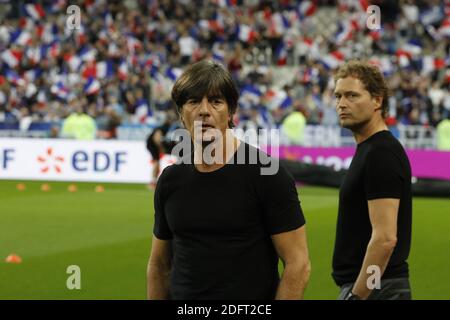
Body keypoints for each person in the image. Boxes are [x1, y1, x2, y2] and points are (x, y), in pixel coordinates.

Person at [147, 60, 310, 300]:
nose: (204, 110)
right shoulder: (171, 180)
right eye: (193, 101)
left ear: (231, 112)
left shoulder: (267, 174)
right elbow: (158, 265)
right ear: (181, 114)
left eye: (215, 101)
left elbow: (298, 264)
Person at [332, 60, 412, 300]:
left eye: (352, 96)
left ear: (377, 100)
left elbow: (385, 239)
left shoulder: (381, 153)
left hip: (378, 288)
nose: (342, 104)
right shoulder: (370, 149)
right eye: (338, 96)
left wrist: (358, 296)